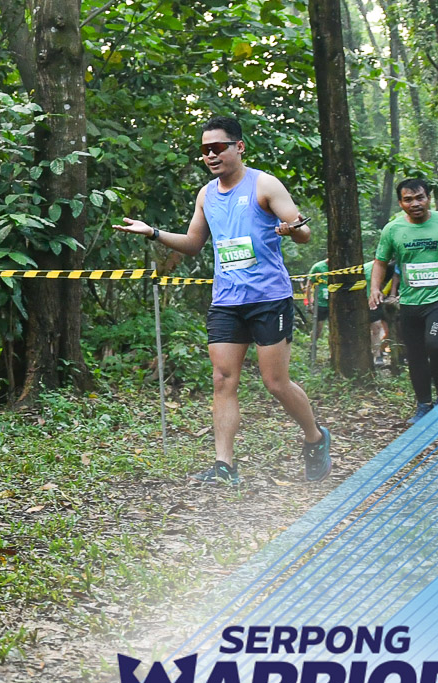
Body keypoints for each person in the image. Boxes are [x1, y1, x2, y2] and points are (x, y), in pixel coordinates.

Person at [114, 115, 331, 486]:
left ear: (239, 147)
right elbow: (193, 244)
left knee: (275, 383)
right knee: (222, 380)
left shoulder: (264, 184)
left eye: (218, 147)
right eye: (205, 150)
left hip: (268, 298)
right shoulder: (206, 194)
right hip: (227, 300)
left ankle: (315, 437)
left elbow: (304, 231)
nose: (211, 155)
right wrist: (153, 232)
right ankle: (224, 466)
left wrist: (291, 230)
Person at [371, 179, 438, 420]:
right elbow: (380, 262)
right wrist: (375, 288)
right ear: (400, 203)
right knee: (415, 354)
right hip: (410, 302)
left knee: (436, 344)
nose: (415, 203)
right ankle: (424, 404)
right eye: (408, 199)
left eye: (420, 198)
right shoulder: (393, 230)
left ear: (428, 198)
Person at [304, 257, 329, 357]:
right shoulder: (318, 267)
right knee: (318, 328)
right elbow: (309, 285)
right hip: (320, 303)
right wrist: (309, 303)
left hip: (333, 303)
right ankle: (312, 347)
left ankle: (332, 354)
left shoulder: (340, 267)